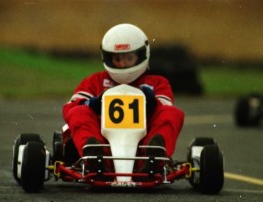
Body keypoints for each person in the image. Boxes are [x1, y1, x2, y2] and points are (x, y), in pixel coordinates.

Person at [62, 23, 185, 172]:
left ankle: (153, 156)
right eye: (117, 59)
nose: (123, 64)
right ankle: (94, 156)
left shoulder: (157, 83)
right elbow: (70, 107)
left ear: (141, 55)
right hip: (102, 142)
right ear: (107, 58)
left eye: (129, 58)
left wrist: (151, 103)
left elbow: (164, 111)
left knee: (172, 113)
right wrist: (93, 103)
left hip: (142, 146)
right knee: (78, 112)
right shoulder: (95, 81)